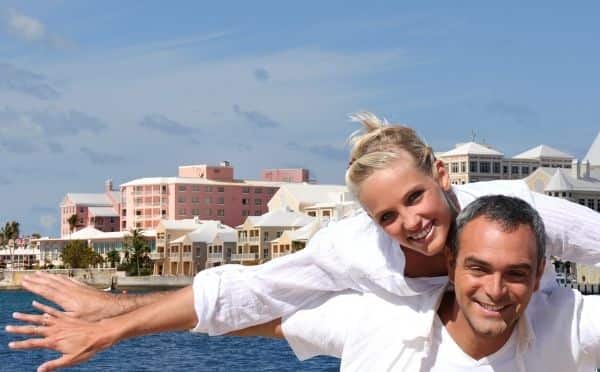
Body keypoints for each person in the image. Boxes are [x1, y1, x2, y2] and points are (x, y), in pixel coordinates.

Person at [7, 113, 600, 370]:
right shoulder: (357, 251)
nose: (410, 223)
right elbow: (252, 294)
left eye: (415, 198)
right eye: (388, 215)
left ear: (441, 174)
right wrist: (113, 324)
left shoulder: (509, 217)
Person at [234, 195, 600, 371]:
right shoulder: (381, 320)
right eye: (478, 268)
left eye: (516, 273)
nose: (495, 289)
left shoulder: (569, 326)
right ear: (452, 264)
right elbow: (251, 313)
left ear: (538, 276)